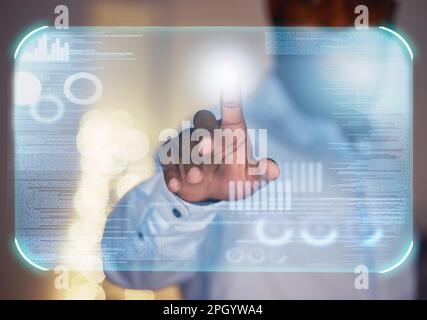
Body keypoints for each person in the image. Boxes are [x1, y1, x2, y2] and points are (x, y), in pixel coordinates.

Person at [102, 0, 415, 299]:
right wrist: (189, 200)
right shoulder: (215, 145)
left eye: (363, 1)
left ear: (389, 13)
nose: (337, 21)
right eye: (313, 0)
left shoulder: (388, 141)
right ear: (275, 8)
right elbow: (133, 269)